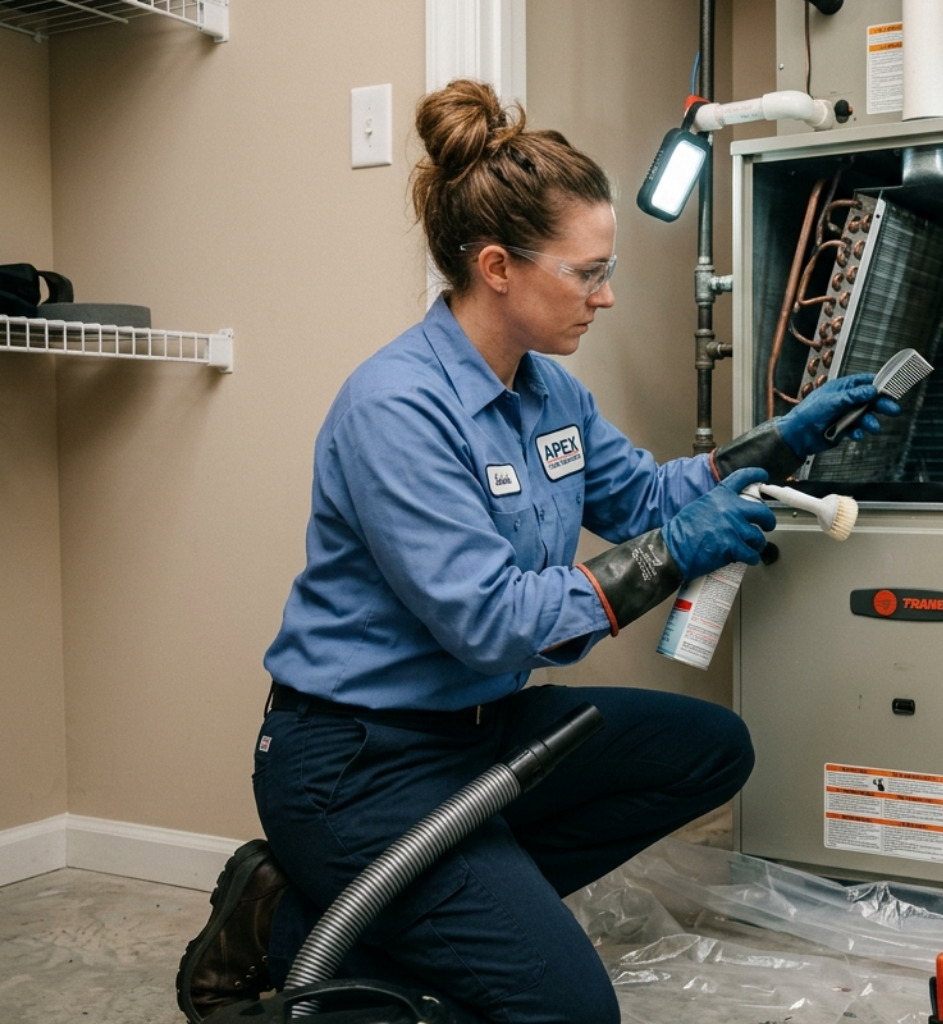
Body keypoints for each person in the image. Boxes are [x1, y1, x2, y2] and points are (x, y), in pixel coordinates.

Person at [175, 79, 898, 1024]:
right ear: (497, 267)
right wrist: (673, 554)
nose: (606, 296)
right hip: (355, 763)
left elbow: (643, 496)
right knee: (570, 1014)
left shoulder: (547, 393)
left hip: (474, 737)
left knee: (708, 749)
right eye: (587, 272)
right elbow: (491, 623)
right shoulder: (396, 407)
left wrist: (786, 438)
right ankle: (308, 928)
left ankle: (366, 912)